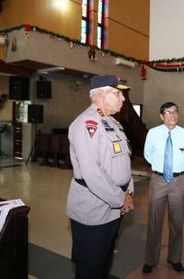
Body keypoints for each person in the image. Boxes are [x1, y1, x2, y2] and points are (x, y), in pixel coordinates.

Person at [66, 75, 135, 279]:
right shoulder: (86, 124)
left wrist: (128, 191)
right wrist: (121, 198)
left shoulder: (112, 123)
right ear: (101, 95)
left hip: (113, 206)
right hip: (93, 209)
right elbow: (91, 173)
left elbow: (123, 161)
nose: (123, 98)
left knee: (103, 263)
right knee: (90, 267)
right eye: (118, 93)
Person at [142, 102, 184, 273]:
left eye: (175, 111)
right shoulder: (153, 133)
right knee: (154, 222)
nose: (172, 115)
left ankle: (174, 258)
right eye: (168, 112)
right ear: (161, 116)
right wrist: (160, 165)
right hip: (158, 180)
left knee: (177, 222)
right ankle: (151, 259)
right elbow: (147, 154)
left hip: (178, 182)